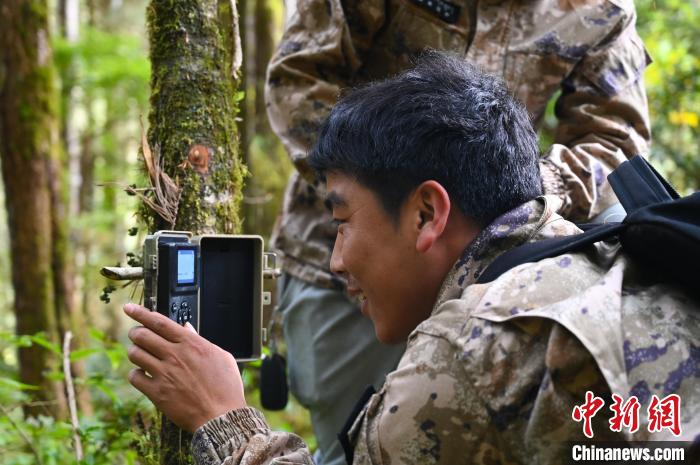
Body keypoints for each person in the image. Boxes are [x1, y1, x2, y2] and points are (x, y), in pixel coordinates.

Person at [125, 54, 698, 465]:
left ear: (427, 213)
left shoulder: (467, 353)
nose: (336, 262)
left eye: (342, 222)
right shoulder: (607, 254)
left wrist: (224, 420)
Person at [265, 2, 651, 463]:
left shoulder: (601, 8)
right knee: (356, 447)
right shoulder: (352, 255)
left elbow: (615, 140)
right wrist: (380, 187)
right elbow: (297, 81)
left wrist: (505, 192)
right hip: (361, 267)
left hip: (507, 269)